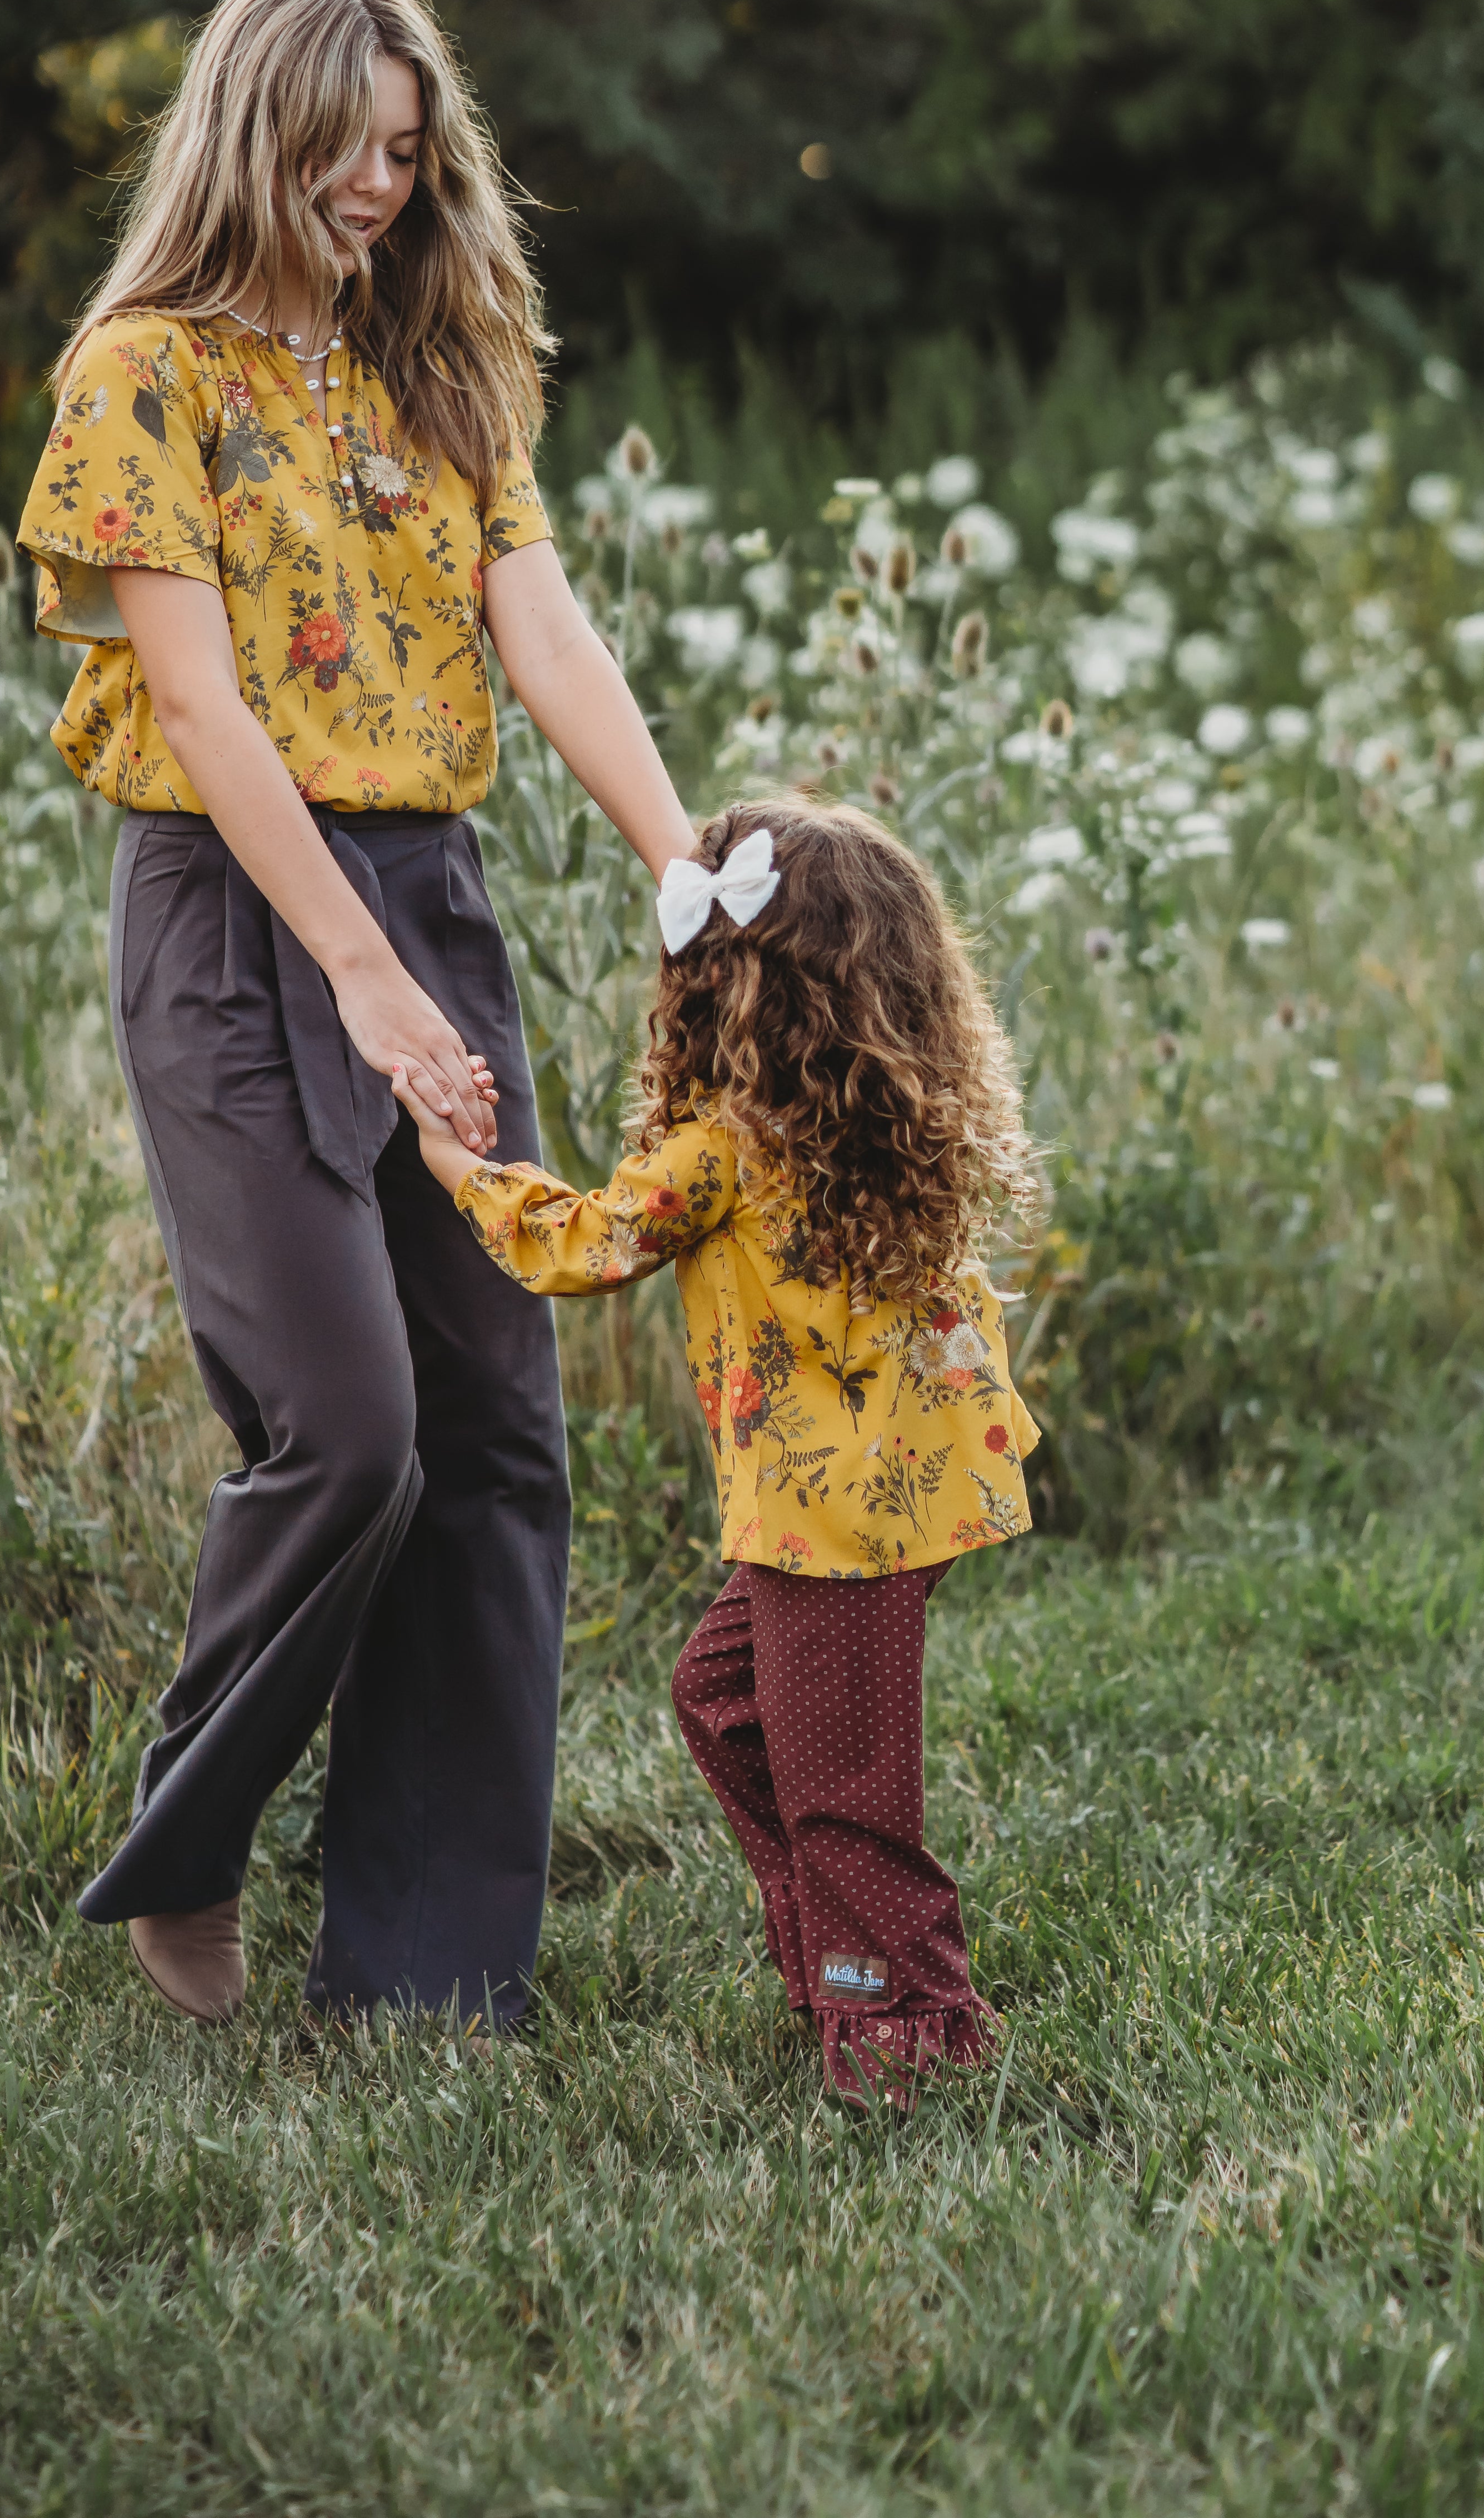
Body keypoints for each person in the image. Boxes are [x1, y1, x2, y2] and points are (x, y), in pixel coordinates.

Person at [14, 0, 691, 2034]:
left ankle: (428, 1968)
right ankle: (189, 1853)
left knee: (495, 1426)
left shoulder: (440, 367)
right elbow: (206, 718)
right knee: (348, 1430)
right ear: (257, 130)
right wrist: (367, 987)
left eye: (407, 150)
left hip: (432, 890)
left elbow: (547, 640)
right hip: (240, 916)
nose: (381, 188)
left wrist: (687, 869)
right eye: (342, 150)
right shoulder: (145, 372)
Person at [390, 796, 1042, 2106]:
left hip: (834, 1520)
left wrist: (456, 1166)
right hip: (886, 1496)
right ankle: (829, 1947)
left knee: (844, 1785)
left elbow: (579, 1244)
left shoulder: (728, 1150)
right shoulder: (868, 1118)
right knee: (723, 1700)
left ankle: (909, 2030)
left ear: (727, 987)